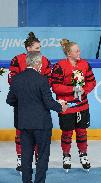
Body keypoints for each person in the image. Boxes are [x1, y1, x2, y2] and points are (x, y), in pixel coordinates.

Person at [6, 51, 67, 183]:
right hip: (42, 125)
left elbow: (10, 100)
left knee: (26, 157)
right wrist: (61, 106)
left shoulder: (17, 79)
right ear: (38, 63)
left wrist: (24, 104)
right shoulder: (42, 80)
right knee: (43, 156)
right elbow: (49, 102)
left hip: (24, 123)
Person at [8, 32, 52, 174]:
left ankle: (38, 158)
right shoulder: (17, 60)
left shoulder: (45, 60)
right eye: (37, 48)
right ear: (28, 48)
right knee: (21, 131)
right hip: (22, 103)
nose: (39, 50)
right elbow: (12, 80)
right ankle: (21, 157)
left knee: (39, 133)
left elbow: (48, 80)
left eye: (40, 48)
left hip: (40, 103)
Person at [51, 39, 96, 172]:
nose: (79, 52)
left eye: (79, 50)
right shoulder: (60, 66)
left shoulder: (85, 64)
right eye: (76, 51)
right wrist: (72, 90)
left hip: (83, 106)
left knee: (82, 132)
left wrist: (85, 90)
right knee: (67, 133)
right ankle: (66, 155)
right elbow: (55, 87)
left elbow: (92, 82)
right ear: (69, 53)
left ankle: (83, 154)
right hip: (67, 107)